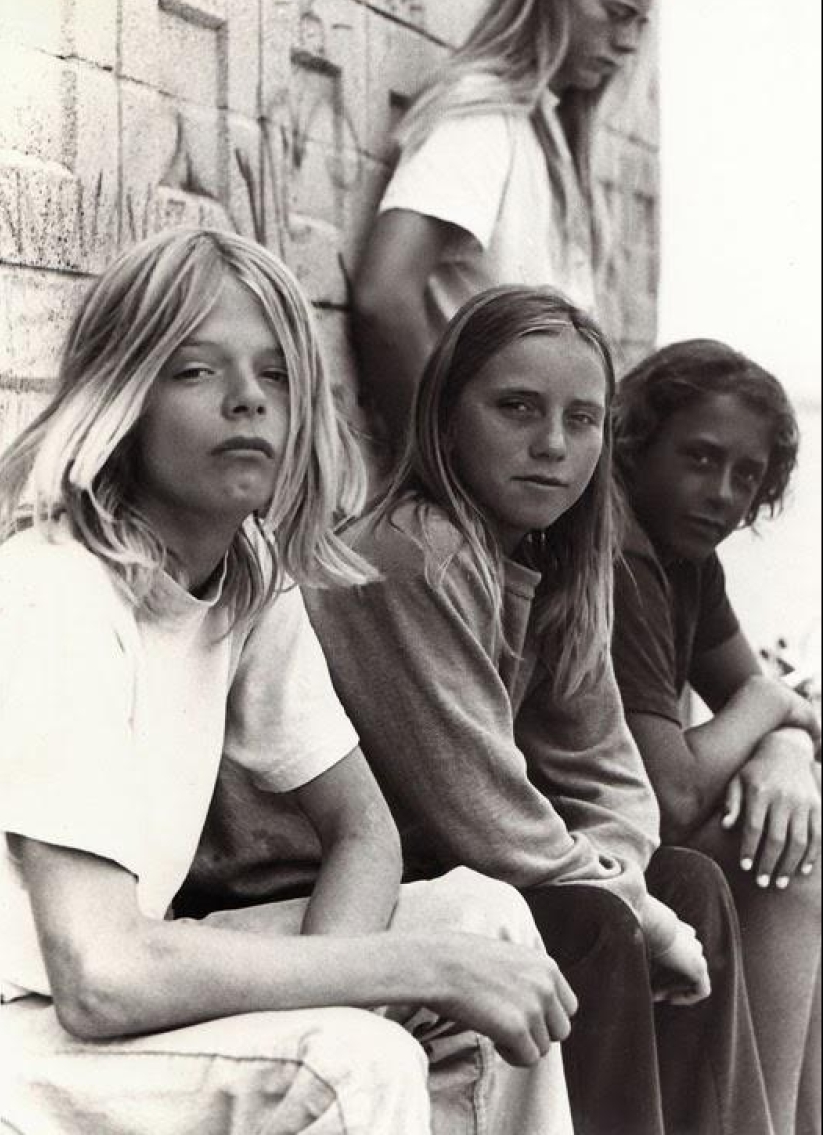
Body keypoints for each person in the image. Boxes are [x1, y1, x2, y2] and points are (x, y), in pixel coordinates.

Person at [0, 230, 578, 1135]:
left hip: (114, 985)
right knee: (355, 1065)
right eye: (195, 372)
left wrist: (345, 993)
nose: (246, 402)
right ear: (122, 400)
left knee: (480, 917)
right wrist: (386, 985)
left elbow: (363, 829)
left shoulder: (244, 573)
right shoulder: (55, 590)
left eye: (274, 376)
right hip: (24, 1030)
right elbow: (99, 977)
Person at [304, 286, 776, 1135]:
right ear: (447, 416)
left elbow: (609, 775)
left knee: (686, 880)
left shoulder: (555, 557)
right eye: (516, 407)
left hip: (449, 863)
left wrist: (639, 890)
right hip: (318, 883)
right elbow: (483, 812)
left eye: (582, 418)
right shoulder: (411, 557)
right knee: (593, 918)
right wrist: (633, 908)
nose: (553, 445)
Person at [611, 339, 821, 1135]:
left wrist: (785, 745)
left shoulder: (684, 556)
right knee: (796, 854)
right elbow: (671, 793)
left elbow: (768, 705)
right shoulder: (622, 556)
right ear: (635, 442)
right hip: (576, 842)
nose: (721, 494)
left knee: (801, 820)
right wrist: (770, 704)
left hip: (634, 827)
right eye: (698, 458)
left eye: (745, 475)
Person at [352, 0, 658, 441]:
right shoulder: (483, 118)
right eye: (615, 12)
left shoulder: (547, 133)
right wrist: (439, 461)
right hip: (479, 478)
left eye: (639, 22)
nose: (629, 43)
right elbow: (384, 298)